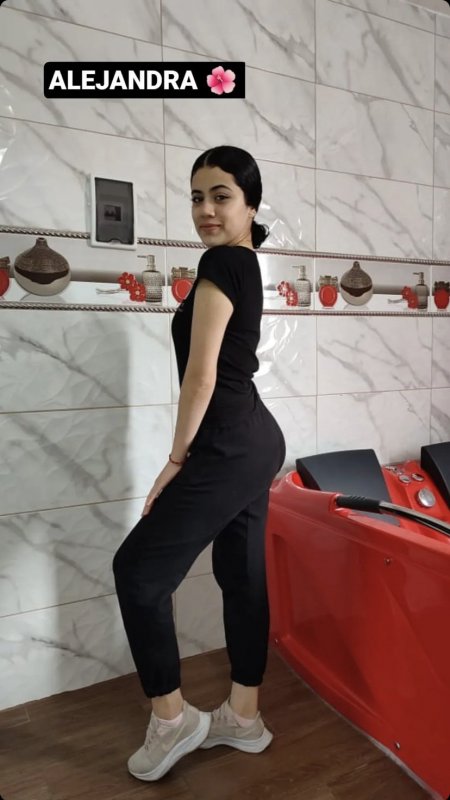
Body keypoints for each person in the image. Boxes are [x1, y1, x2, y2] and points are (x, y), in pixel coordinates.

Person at [113, 145, 286, 783]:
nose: (206, 209)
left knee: (136, 571)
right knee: (240, 576)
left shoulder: (223, 261)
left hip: (229, 445)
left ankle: (172, 721)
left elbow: (202, 375)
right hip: (254, 440)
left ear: (250, 205)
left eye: (221, 196)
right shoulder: (245, 263)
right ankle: (244, 718)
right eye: (196, 197)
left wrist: (175, 459)